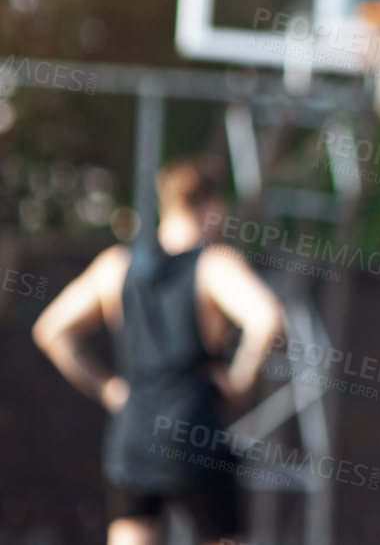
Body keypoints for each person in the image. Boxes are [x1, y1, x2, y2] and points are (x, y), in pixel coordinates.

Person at [34, 153, 287, 545]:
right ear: (213, 206)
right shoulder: (215, 264)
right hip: (196, 431)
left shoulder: (115, 264)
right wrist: (239, 380)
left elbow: (50, 330)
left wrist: (107, 389)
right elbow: (267, 317)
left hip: (133, 433)